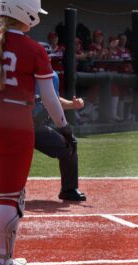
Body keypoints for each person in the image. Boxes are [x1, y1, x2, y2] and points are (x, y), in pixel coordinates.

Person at [0, 0, 75, 265]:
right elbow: (49, 98)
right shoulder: (34, 49)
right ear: (26, 13)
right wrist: (65, 128)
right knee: (9, 195)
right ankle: (2, 262)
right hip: (15, 122)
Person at [33, 71, 87, 201]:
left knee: (69, 145)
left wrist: (71, 104)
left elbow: (53, 99)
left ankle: (68, 189)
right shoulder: (24, 70)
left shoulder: (52, 75)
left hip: (36, 128)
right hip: (16, 126)